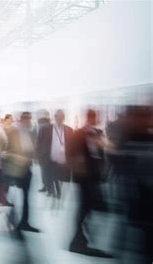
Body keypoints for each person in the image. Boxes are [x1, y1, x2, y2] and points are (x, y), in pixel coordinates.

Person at [67, 109, 112, 258]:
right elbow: (70, 153)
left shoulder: (98, 133)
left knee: (88, 207)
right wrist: (77, 165)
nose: (98, 118)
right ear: (89, 117)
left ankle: (80, 238)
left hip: (95, 176)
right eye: (95, 116)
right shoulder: (79, 133)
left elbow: (102, 153)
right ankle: (78, 241)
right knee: (84, 207)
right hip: (83, 177)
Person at [4, 112, 40, 235]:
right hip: (14, 169)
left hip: (26, 169)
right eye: (27, 119)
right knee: (14, 197)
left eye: (30, 118)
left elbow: (31, 149)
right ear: (22, 120)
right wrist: (17, 158)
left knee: (26, 197)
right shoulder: (12, 131)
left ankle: (24, 222)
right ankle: (12, 220)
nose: (29, 121)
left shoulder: (30, 132)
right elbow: (4, 152)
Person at [36, 110, 74, 199]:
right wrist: (39, 157)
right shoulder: (45, 129)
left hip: (63, 160)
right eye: (58, 116)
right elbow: (38, 143)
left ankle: (58, 191)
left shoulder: (69, 130)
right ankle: (54, 191)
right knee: (51, 177)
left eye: (62, 116)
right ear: (55, 117)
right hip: (49, 159)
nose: (60, 118)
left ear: (64, 118)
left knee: (60, 178)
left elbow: (73, 145)